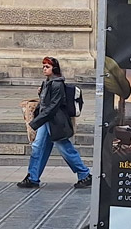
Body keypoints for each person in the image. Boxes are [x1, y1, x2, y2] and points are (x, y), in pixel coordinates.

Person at [17, 56, 91, 189]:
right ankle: (33, 177)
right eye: (43, 67)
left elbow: (53, 107)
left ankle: (84, 174)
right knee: (37, 147)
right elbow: (45, 104)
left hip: (56, 122)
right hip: (47, 120)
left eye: (47, 67)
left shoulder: (57, 84)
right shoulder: (47, 83)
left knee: (65, 148)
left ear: (54, 69)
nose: (44, 69)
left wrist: (35, 122)